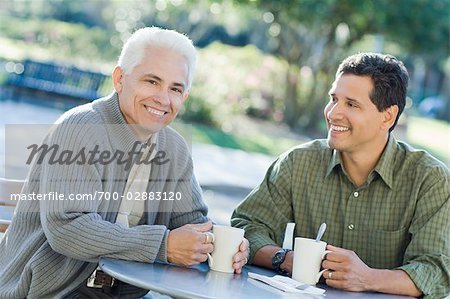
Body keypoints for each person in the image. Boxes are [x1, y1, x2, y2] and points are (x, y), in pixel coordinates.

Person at [0, 27, 249, 299]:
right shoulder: (80, 128)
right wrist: (164, 245)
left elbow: (193, 224)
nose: (163, 99)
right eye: (152, 82)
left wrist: (222, 245)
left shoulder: (174, 148)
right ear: (120, 79)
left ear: (184, 97)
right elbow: (67, 229)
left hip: (126, 294)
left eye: (175, 88)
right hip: (53, 291)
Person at [231, 53, 449, 298]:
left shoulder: (429, 180)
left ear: (387, 116)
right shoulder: (298, 163)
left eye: (351, 104)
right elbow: (246, 225)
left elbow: (436, 271)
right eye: (333, 99)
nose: (333, 113)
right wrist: (286, 259)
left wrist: (367, 278)